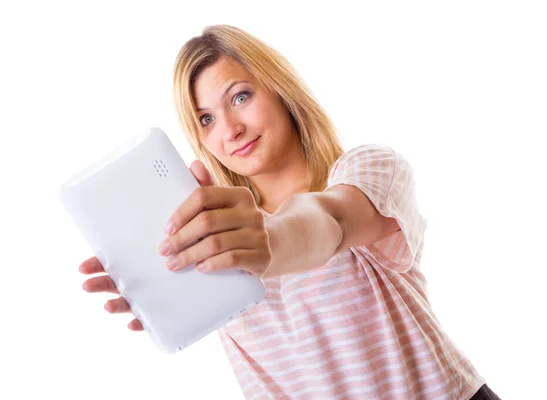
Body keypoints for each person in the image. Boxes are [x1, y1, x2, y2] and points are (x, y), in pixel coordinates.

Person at [79, 24, 501, 400]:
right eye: (205, 119)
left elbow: (330, 221)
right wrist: (165, 281)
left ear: (280, 89)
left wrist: (267, 242)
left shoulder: (368, 169)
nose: (230, 130)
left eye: (240, 97)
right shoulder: (218, 238)